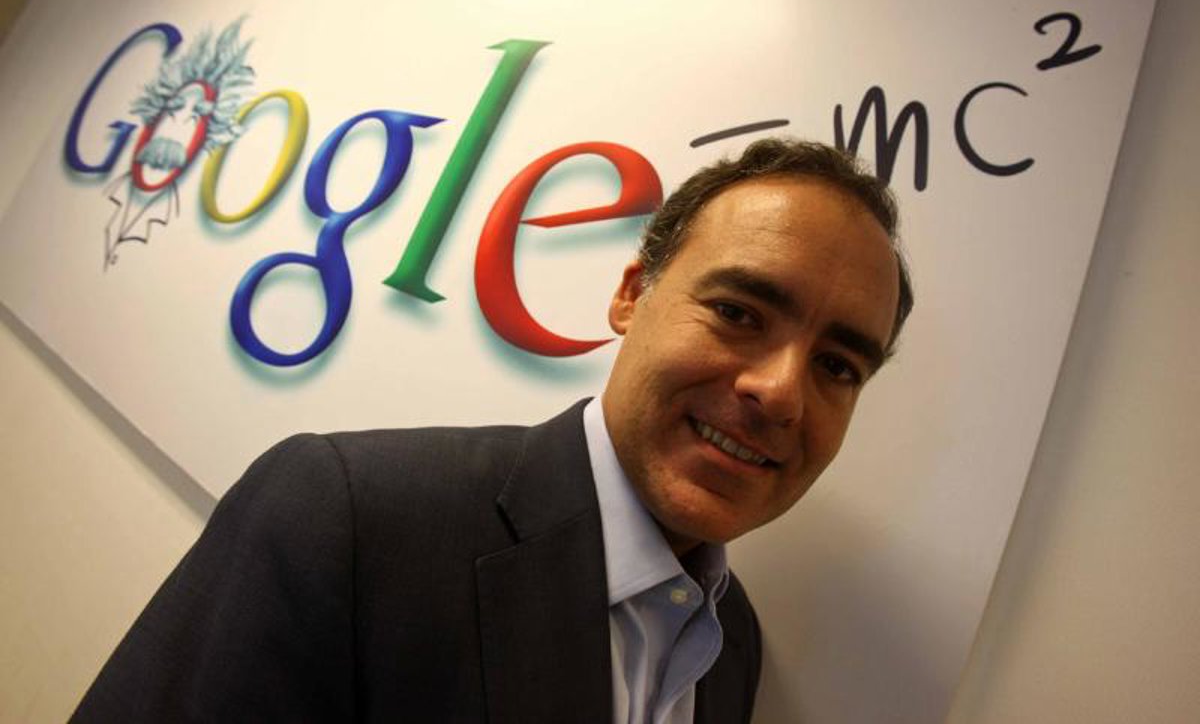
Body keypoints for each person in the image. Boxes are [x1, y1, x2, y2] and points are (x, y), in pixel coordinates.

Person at [70, 138, 912, 723]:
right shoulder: (347, 517)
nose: (781, 392)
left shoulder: (733, 645)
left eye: (838, 366)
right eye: (737, 312)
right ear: (631, 295)